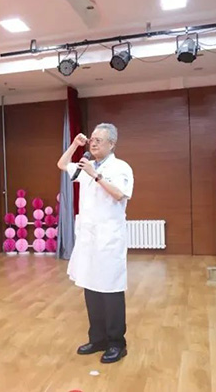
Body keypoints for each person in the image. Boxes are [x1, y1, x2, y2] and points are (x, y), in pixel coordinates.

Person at [56, 123, 134, 364]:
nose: (94, 143)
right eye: (92, 139)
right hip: (89, 238)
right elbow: (61, 164)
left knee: (110, 291)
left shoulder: (120, 167)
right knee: (91, 288)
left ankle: (116, 343)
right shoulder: (85, 164)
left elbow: (120, 194)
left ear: (112, 144)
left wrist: (96, 175)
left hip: (109, 239)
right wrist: (74, 145)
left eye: (99, 140)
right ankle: (97, 339)